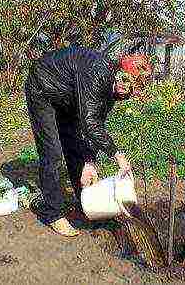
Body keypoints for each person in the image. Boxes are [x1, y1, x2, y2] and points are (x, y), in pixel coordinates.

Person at [24, 40, 152, 237]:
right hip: (43, 86)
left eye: (130, 86)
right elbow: (89, 122)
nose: (125, 87)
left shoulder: (113, 88)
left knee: (75, 146)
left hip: (67, 95)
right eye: (124, 80)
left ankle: (85, 202)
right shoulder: (97, 73)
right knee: (53, 152)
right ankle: (53, 214)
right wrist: (117, 154)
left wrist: (90, 161)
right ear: (119, 71)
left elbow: (96, 122)